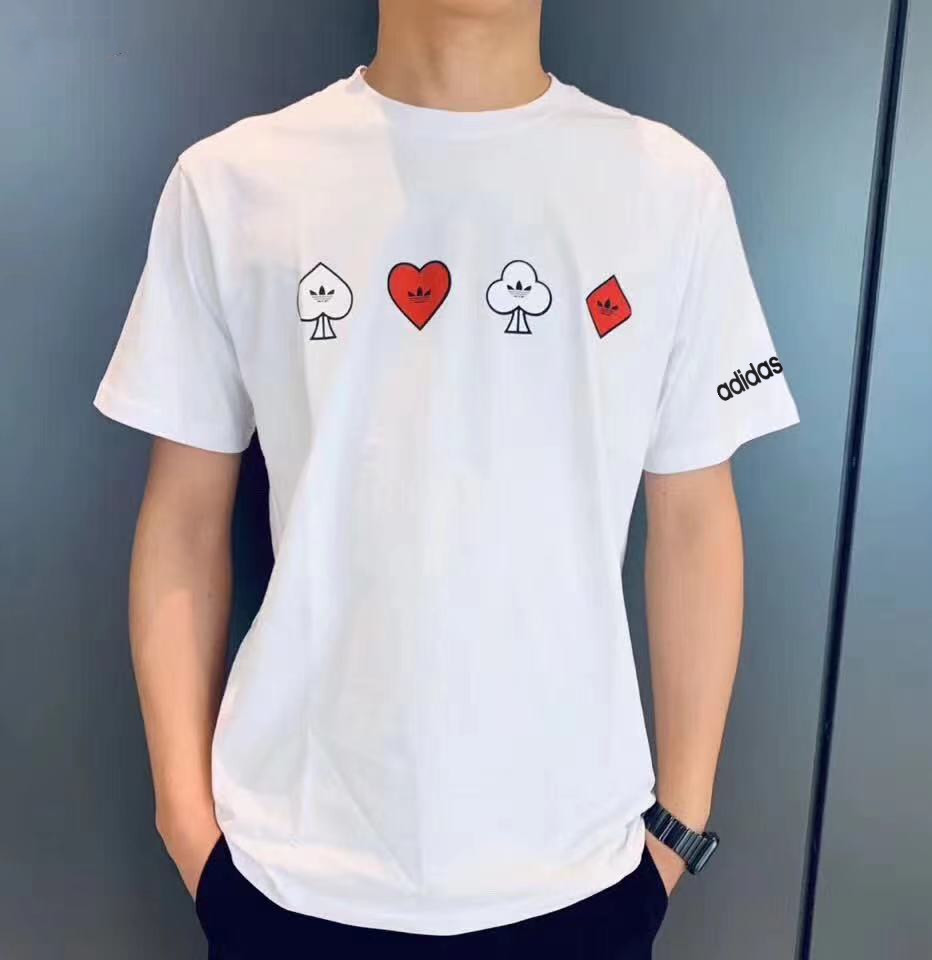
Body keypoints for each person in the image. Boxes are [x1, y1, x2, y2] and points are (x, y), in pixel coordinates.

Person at [92, 1, 799, 957]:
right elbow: (182, 519)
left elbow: (696, 521)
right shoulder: (232, 183)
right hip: (285, 871)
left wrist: (678, 830)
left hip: (583, 876)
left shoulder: (672, 191)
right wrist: (188, 826)